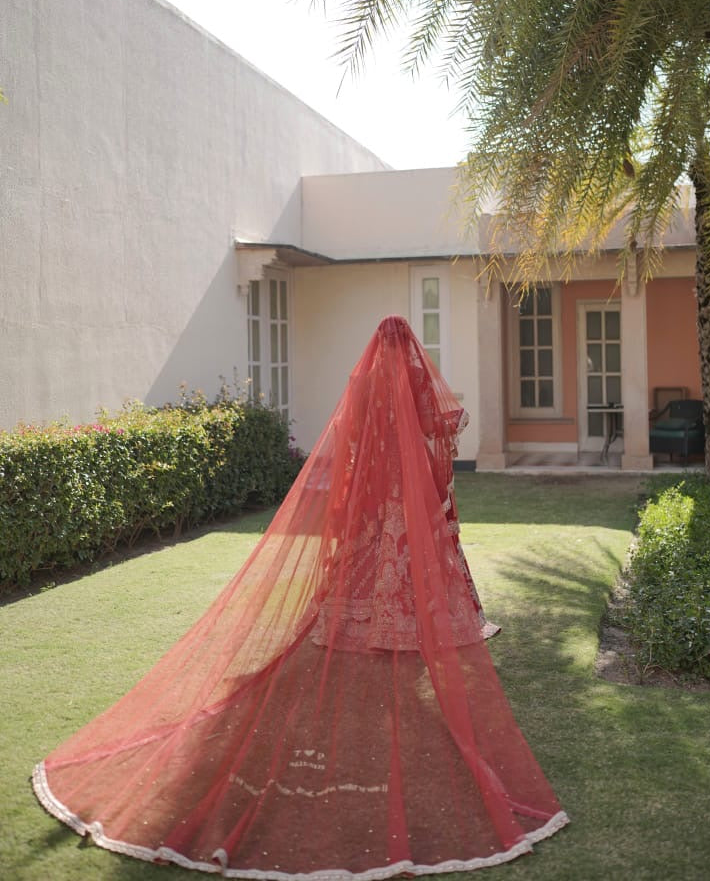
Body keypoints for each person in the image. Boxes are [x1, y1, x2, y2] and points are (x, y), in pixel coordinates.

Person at [33, 316, 568, 877]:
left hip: (376, 497)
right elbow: (439, 442)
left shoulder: (363, 385)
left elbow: (350, 448)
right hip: (402, 499)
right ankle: (393, 622)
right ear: (409, 348)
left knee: (370, 557)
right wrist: (430, 495)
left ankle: (363, 620)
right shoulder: (417, 385)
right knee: (396, 557)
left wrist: (358, 497)